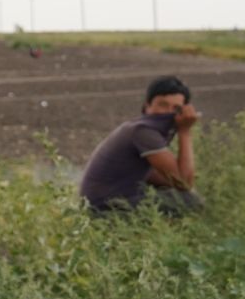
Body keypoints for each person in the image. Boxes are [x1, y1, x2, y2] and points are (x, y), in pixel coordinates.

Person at [78, 76, 203, 215]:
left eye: (176, 108)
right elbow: (184, 183)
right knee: (189, 200)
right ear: (147, 106)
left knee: (172, 192)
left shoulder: (137, 127)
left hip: (101, 203)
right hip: (105, 209)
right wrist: (185, 132)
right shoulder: (144, 131)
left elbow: (152, 176)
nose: (168, 112)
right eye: (162, 105)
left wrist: (171, 184)